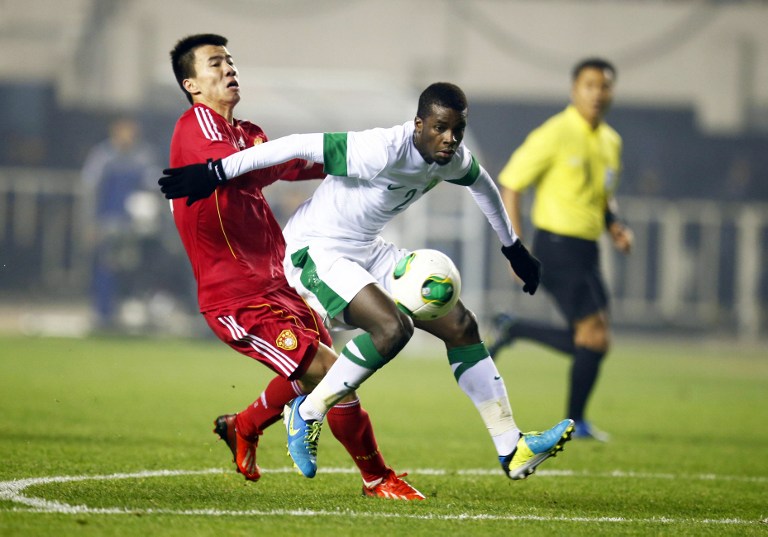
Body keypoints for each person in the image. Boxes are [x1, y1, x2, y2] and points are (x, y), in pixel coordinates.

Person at [159, 82, 575, 481]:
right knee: (391, 329)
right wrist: (216, 171)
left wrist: (513, 247)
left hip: (367, 250)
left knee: (461, 325)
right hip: (315, 251)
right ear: (418, 125)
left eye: (457, 130)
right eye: (440, 128)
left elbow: (482, 185)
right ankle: (306, 414)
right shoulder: (379, 150)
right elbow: (296, 145)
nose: (450, 139)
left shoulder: (452, 158)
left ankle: (511, 446)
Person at [165, 33, 423, 500]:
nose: (229, 68)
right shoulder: (195, 126)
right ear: (192, 84)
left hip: (276, 282)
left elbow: (286, 164)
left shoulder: (248, 133)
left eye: (230, 60)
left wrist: (353, 160)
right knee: (331, 372)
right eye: (215, 63)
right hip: (235, 296)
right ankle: (377, 478)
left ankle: (243, 426)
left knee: (319, 371)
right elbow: (238, 167)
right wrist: (286, 154)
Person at [488, 58, 634, 442]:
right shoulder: (554, 133)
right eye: (590, 85)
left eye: (604, 86)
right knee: (594, 337)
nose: (597, 93)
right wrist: (516, 249)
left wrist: (615, 227)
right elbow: (511, 184)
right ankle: (575, 422)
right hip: (555, 246)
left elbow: (603, 196)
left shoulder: (611, 141)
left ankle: (515, 328)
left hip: (588, 249)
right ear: (574, 90)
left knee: (592, 340)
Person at [81, 115, 160, 330]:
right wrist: (91, 224)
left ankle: (133, 313)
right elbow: (91, 192)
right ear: (114, 131)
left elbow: (154, 187)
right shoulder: (103, 157)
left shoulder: (143, 157)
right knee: (106, 267)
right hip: (108, 225)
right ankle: (103, 314)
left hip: (135, 227)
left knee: (136, 269)